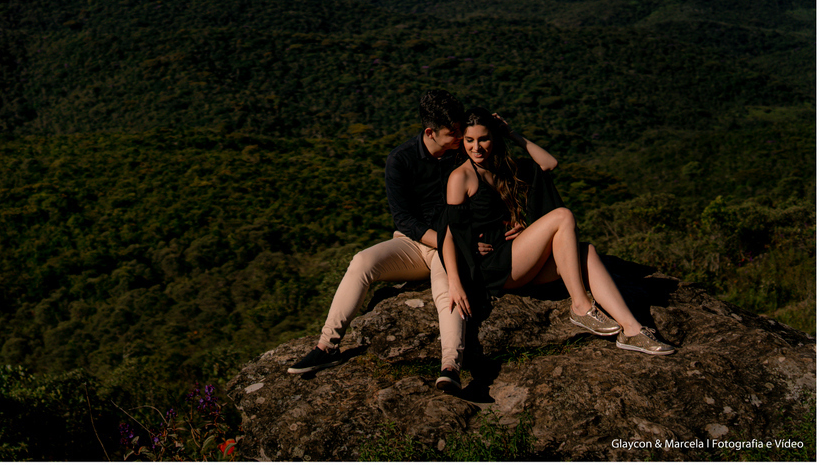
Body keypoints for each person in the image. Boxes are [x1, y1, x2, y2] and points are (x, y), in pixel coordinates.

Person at [287, 91, 522, 391]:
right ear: (429, 132)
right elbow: (404, 220)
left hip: (451, 245)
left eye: (461, 129)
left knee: (445, 290)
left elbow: (498, 180)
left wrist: (504, 132)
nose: (461, 137)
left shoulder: (463, 150)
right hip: (416, 242)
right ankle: (326, 346)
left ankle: (450, 366)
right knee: (362, 262)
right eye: (453, 133)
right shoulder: (401, 159)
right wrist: (451, 242)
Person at [437, 107, 674, 388]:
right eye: (469, 140)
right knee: (563, 216)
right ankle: (581, 307)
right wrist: (454, 280)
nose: (477, 147)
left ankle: (632, 330)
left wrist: (512, 133)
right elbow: (449, 233)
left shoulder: (502, 167)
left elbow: (549, 164)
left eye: (484, 139)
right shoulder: (460, 177)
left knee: (585, 252)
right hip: (494, 267)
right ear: (462, 141)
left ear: (494, 138)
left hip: (515, 256)